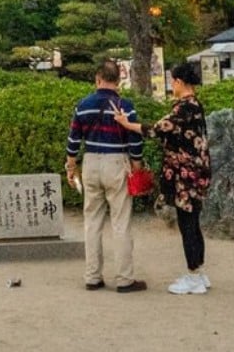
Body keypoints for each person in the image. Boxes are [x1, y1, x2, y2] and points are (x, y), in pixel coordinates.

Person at [114, 61, 211, 296]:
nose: (172, 85)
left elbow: (157, 129)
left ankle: (194, 275)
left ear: (178, 82)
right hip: (196, 173)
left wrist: (126, 123)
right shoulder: (195, 105)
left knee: (187, 223)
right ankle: (198, 271)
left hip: (185, 176)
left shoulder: (184, 108)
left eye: (173, 81)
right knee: (192, 222)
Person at [64, 58, 146, 293]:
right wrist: (136, 164)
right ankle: (124, 279)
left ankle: (92, 276)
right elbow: (136, 139)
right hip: (117, 162)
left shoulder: (83, 105)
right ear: (118, 81)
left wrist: (71, 167)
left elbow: (73, 140)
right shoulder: (125, 106)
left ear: (97, 79)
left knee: (92, 222)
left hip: (90, 162)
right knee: (120, 222)